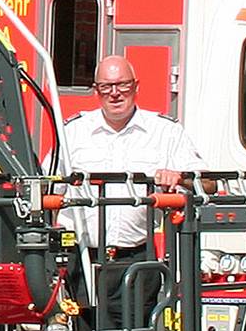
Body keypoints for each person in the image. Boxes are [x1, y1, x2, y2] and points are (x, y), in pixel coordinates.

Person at [56, 54, 204, 289]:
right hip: (81, 258)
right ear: (96, 91)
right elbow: (49, 188)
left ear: (136, 87)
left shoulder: (165, 131)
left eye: (122, 84)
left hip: (137, 259)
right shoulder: (72, 132)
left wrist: (180, 177)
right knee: (80, 326)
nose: (115, 93)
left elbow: (208, 185)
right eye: (106, 86)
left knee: (137, 325)